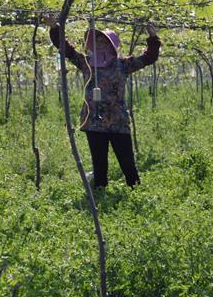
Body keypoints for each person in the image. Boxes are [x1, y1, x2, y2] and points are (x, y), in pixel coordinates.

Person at [43, 14, 160, 189]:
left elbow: (149, 58)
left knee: (127, 162)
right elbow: (66, 49)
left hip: (118, 121)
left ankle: (136, 191)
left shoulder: (123, 65)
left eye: (104, 41)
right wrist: (54, 27)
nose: (100, 45)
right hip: (94, 122)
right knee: (99, 164)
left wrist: (153, 37)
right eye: (97, 41)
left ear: (112, 46)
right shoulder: (86, 63)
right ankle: (100, 193)